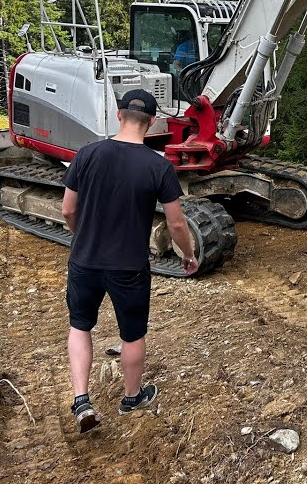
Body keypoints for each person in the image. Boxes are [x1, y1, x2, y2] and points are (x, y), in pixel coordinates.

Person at [60, 88, 198, 433]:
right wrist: (189, 254)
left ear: (119, 115)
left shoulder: (87, 154)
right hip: (129, 266)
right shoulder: (158, 166)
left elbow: (67, 209)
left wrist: (82, 236)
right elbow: (176, 222)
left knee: (80, 325)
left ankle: (81, 400)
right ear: (151, 123)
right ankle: (132, 397)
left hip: (85, 260)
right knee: (133, 334)